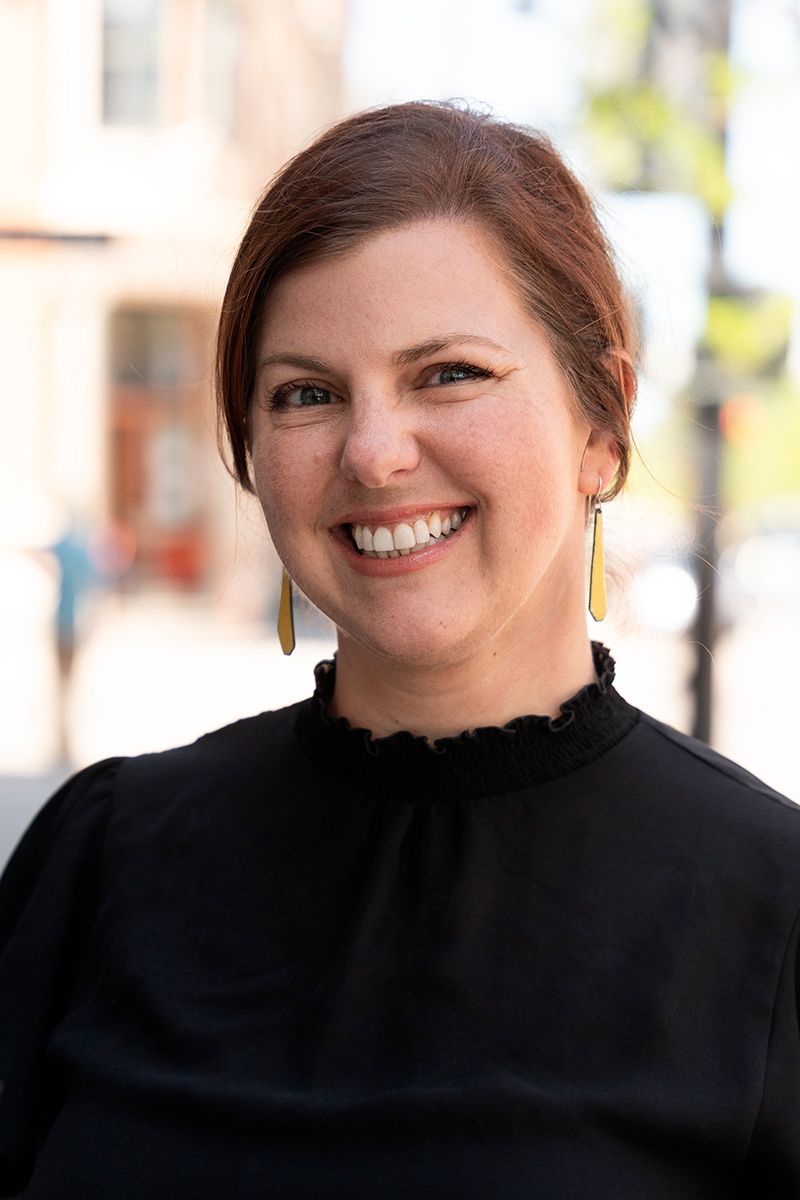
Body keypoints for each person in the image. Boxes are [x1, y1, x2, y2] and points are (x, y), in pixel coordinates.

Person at [1, 101, 798, 1200]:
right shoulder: (103, 861)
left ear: (601, 423)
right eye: (307, 395)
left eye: (448, 374)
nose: (372, 455)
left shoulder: (768, 912)